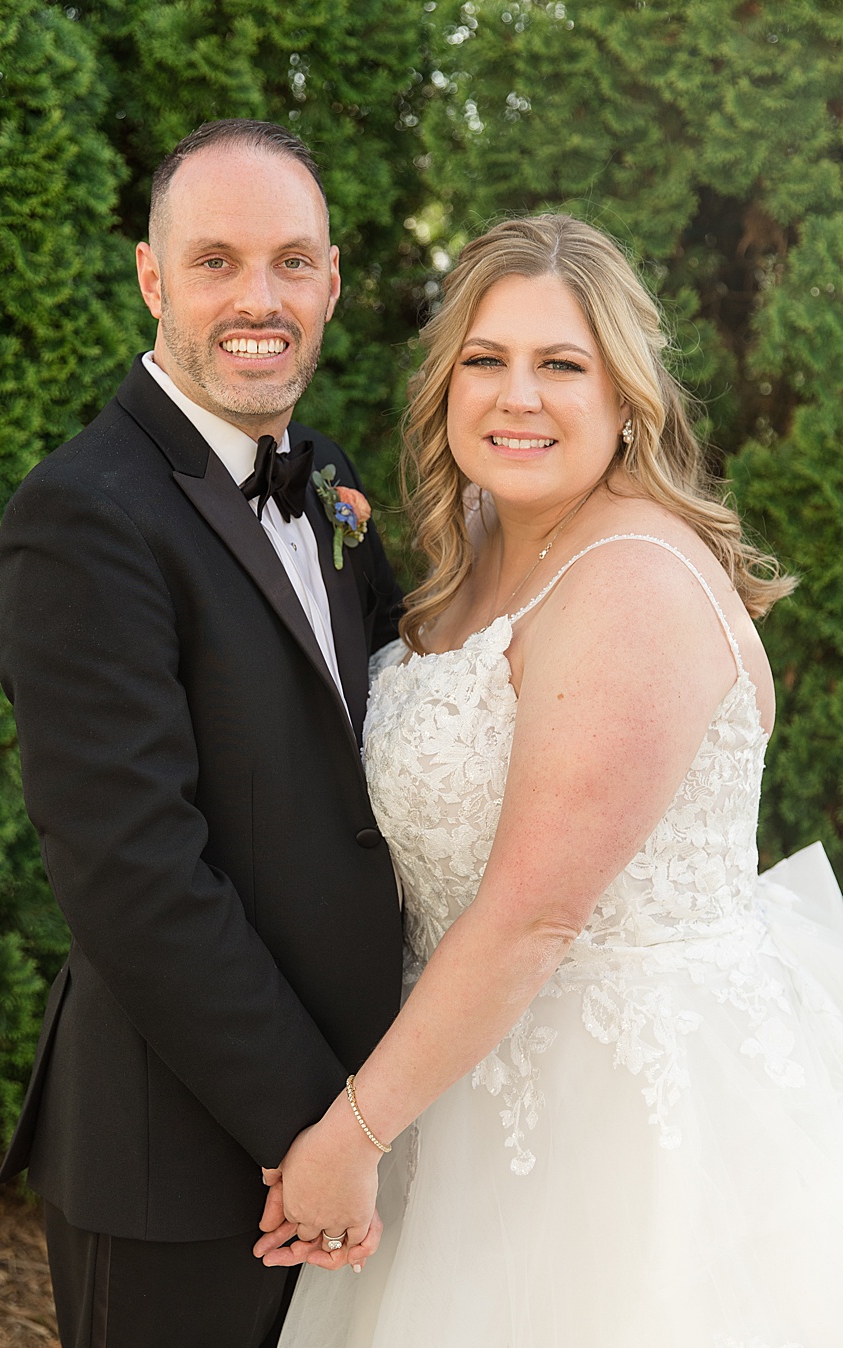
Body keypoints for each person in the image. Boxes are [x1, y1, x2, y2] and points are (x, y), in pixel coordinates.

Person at [269, 213, 843, 1347]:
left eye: (561, 365)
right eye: (486, 360)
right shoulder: (480, 541)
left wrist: (351, 1135)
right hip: (456, 1075)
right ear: (446, 387)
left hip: (619, 1129)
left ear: (629, 397)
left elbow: (535, 911)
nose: (516, 395)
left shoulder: (632, 577)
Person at [0, 119, 405, 1346]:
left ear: (331, 279)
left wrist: (366, 1120)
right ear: (152, 278)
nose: (259, 299)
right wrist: (313, 1128)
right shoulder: (81, 512)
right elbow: (132, 869)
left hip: (358, 1128)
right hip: (178, 1152)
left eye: (291, 261)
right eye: (216, 260)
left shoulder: (327, 478)